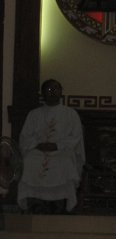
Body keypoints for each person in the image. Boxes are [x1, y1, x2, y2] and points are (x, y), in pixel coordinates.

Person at [17, 79, 85, 214]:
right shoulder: (34, 114)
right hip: (38, 150)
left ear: (61, 92)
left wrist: (57, 145)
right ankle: (34, 202)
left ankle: (61, 202)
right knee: (29, 161)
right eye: (48, 90)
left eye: (55, 89)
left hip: (62, 151)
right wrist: (38, 144)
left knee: (65, 161)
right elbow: (25, 136)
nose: (52, 92)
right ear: (42, 93)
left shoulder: (71, 114)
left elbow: (76, 137)